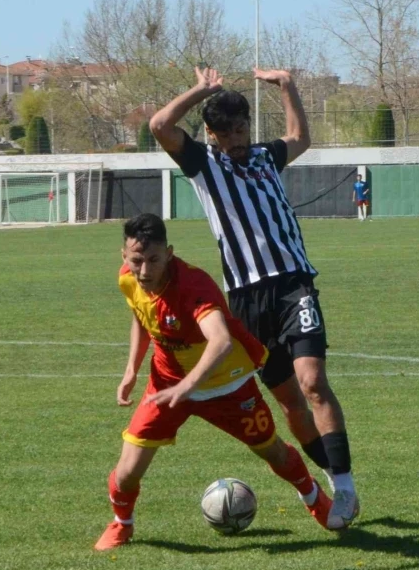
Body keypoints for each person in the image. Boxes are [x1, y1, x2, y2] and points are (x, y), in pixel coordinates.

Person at [149, 66, 360, 530]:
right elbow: (159, 125)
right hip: (245, 302)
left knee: (312, 382)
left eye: (241, 129)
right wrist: (199, 90)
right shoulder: (203, 163)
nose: (236, 139)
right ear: (212, 134)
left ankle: (344, 487)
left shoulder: (266, 156)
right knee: (289, 404)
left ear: (249, 125)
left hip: (293, 285)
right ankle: (331, 470)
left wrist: (287, 86)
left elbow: (300, 137)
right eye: (226, 133)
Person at [94, 213, 340, 551]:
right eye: (137, 260)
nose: (145, 270)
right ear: (124, 256)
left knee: (273, 452)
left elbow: (221, 341)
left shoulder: (193, 286)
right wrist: (131, 371)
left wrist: (187, 386)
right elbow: (141, 314)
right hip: (166, 385)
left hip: (227, 386)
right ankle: (122, 524)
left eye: (154, 260)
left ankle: (314, 497)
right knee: (127, 471)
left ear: (169, 253)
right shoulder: (128, 278)